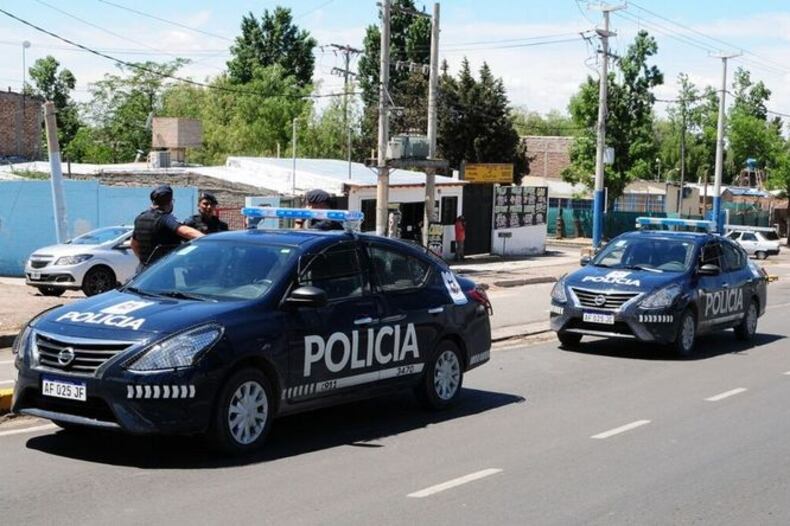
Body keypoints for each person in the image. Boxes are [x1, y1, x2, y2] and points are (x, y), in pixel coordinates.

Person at [131, 185, 204, 270]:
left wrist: (145, 261)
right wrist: (208, 238)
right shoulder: (164, 218)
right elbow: (186, 232)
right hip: (161, 270)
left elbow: (133, 244)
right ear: (170, 202)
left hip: (144, 271)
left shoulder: (140, 218)